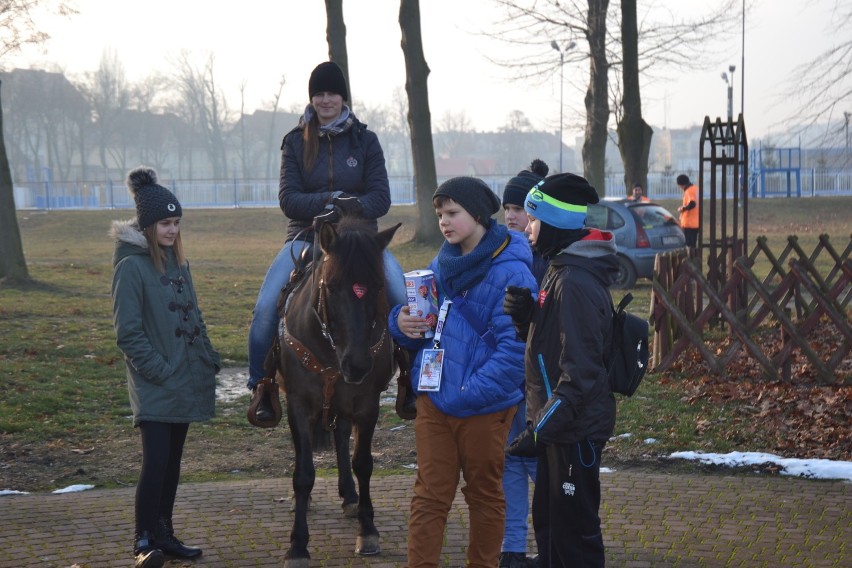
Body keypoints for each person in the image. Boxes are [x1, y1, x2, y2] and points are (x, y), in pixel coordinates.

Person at [389, 176, 537, 568]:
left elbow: (514, 352)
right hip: (435, 402)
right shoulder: (441, 264)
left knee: (485, 496)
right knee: (429, 495)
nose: (444, 222)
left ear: (476, 214)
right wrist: (400, 322)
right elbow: (425, 324)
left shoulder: (513, 272)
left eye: (452, 213)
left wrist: (469, 391)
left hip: (484, 408)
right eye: (439, 214)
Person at [246, 61, 408, 419]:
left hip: (361, 241)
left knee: (401, 295)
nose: (324, 100)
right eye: (318, 93)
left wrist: (349, 207)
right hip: (305, 236)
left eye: (331, 92)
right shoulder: (293, 141)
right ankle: (263, 386)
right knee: (263, 309)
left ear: (343, 97)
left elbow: (380, 198)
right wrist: (331, 200)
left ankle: (410, 376)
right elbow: (289, 200)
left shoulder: (366, 141)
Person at [503, 172, 619, 568]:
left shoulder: (575, 282)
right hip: (559, 427)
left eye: (533, 219)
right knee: (551, 528)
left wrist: (539, 431)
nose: (527, 228)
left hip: (573, 430)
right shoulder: (560, 267)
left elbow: (580, 374)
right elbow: (555, 345)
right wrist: (528, 317)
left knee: (574, 539)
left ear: (555, 222)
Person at [111, 167, 220, 568]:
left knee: (172, 463)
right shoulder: (131, 267)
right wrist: (158, 370)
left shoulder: (177, 264)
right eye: (165, 223)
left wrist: (207, 355)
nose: (172, 230)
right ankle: (143, 541)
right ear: (148, 223)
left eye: (176, 222)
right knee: (155, 461)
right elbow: (128, 333)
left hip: (184, 379)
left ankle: (164, 534)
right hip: (156, 382)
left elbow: (195, 316)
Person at [499, 159, 550, 568]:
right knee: (509, 464)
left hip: (538, 387)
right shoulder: (498, 252)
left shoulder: (547, 259)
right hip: (505, 383)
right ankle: (512, 548)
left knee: (541, 468)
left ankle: (558, 543)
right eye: (508, 209)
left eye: (520, 209)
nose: (512, 216)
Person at [676, 174, 699, 248]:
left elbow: (692, 203)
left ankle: (691, 259)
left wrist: (683, 208)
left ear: (681, 185)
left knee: (689, 246)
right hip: (697, 221)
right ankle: (694, 258)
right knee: (694, 245)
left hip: (689, 223)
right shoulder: (696, 189)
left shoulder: (688, 191)